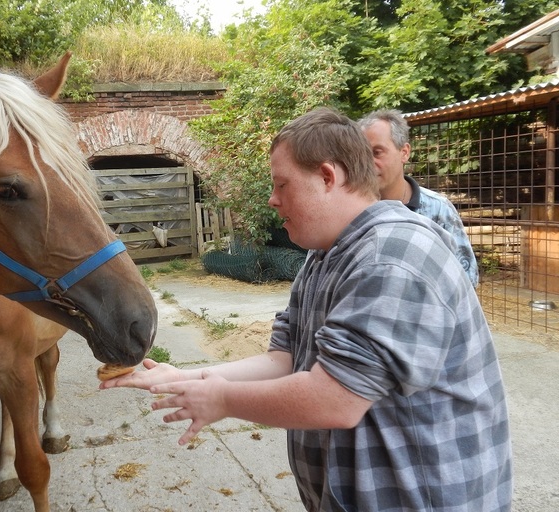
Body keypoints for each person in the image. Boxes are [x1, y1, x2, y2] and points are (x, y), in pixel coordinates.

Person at [101, 107, 512, 511]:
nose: (272, 200)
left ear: (328, 177)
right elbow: (285, 358)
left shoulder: (392, 257)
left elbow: (335, 400)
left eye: (282, 185)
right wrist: (190, 377)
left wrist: (221, 399)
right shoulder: (323, 255)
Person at [358, 109, 480, 287]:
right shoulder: (354, 211)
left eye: (377, 152)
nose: (368, 163)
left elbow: (467, 278)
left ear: (404, 152)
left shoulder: (438, 210)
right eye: (362, 154)